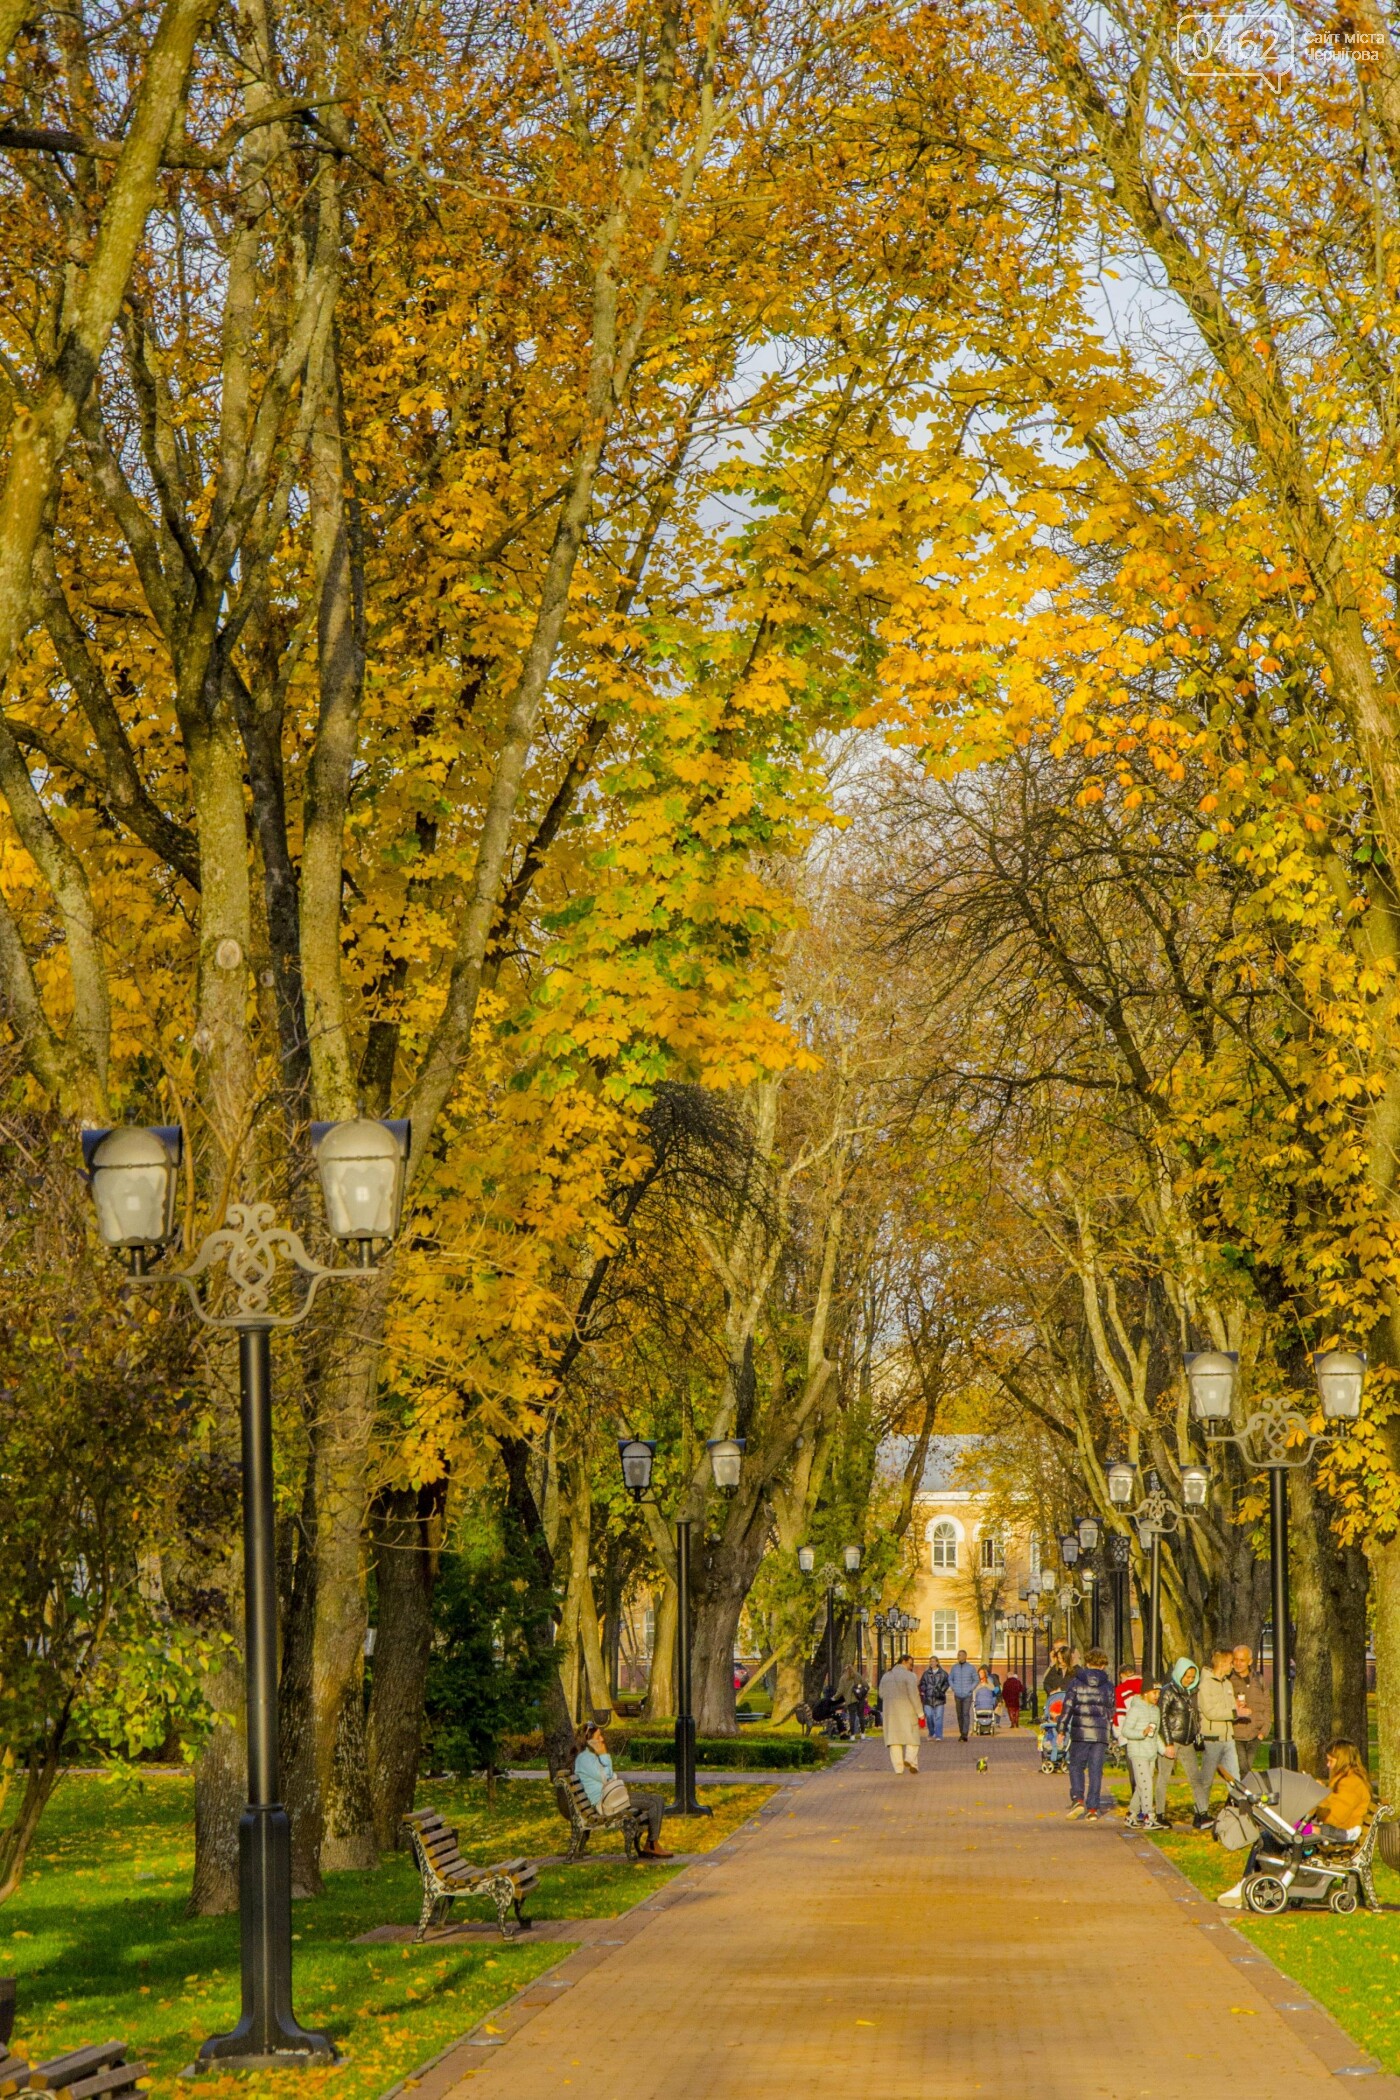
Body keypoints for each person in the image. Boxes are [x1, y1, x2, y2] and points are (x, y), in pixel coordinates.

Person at [1217, 1739, 1373, 1908]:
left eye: (1331, 1761)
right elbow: (1333, 1804)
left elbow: (1335, 1816)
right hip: (1330, 1829)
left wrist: (1317, 1798)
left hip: (1336, 1836)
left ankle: (1249, 1882)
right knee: (1268, 1836)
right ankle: (1249, 1881)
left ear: (1342, 1760)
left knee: (1270, 1838)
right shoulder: (1345, 1780)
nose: (1328, 1765)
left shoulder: (1351, 1783)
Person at [573, 1722, 672, 1858]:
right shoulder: (584, 1759)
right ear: (589, 1740)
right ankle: (652, 1845)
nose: (602, 1739)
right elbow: (607, 1777)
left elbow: (610, 1776)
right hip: (605, 1804)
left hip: (612, 1797)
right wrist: (604, 1754)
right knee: (654, 1804)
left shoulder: (589, 1757)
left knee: (658, 1800)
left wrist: (604, 1760)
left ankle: (652, 1843)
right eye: (598, 1737)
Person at [1061, 1645, 1115, 1821]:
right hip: (1100, 1735)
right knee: (1095, 1770)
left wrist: (1062, 1728)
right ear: (1102, 1665)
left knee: (1076, 1765)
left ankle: (1078, 1798)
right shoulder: (1108, 1685)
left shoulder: (1076, 1682)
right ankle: (1092, 1808)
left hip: (1080, 1731)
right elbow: (1111, 1710)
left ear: (1087, 1663)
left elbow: (1068, 1706)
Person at [1159, 1656, 1208, 1826]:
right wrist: (1168, 1742)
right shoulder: (1168, 1691)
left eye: (1192, 1677)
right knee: (1163, 1778)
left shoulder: (1192, 1693)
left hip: (1188, 1741)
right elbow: (1163, 1717)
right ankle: (1159, 1814)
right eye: (1187, 1677)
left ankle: (1203, 1812)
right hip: (1173, 1739)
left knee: (1195, 1778)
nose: (1189, 1680)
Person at [1197, 1648, 1242, 1810]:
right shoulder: (1205, 1685)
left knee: (1234, 1778)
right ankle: (1201, 1812)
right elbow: (1210, 1712)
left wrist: (1238, 1709)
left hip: (1228, 1738)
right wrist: (1233, 1712)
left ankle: (1238, 1810)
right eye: (1231, 1663)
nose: (1233, 1666)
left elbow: (1231, 1708)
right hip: (1212, 1739)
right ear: (1222, 1664)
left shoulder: (1228, 1684)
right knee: (1206, 1779)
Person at [1121, 1680, 1166, 1829]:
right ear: (1145, 1693)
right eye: (1154, 1692)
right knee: (1146, 1784)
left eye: (1159, 1693)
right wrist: (1142, 1733)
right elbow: (1126, 1731)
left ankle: (1131, 1815)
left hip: (1150, 1753)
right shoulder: (1136, 1709)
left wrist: (1164, 1750)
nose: (1157, 1696)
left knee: (1141, 1786)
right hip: (1138, 1752)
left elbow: (1155, 1734)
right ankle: (1149, 1816)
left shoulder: (1155, 1710)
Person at [879, 1652, 924, 1773]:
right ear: (903, 1662)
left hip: (891, 1713)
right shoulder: (909, 1676)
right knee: (913, 1738)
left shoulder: (886, 1676)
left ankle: (898, 1769)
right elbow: (914, 1695)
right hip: (907, 1711)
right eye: (910, 1664)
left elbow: (881, 1694)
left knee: (894, 1741)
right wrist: (920, 1713)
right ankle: (910, 1759)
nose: (911, 1667)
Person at [1229, 1644, 1269, 1772]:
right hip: (1236, 1735)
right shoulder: (1228, 1680)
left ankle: (1242, 1791)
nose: (1238, 1663)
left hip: (1255, 1734)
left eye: (1242, 1660)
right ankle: (1245, 1792)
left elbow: (1267, 1705)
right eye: (1235, 1659)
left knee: (1246, 1770)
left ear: (1250, 1661)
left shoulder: (1259, 1679)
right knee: (1243, 1770)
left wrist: (1264, 1731)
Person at [949, 1649, 979, 1741]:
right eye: (958, 1655)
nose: (959, 1657)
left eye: (960, 1655)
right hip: (957, 1694)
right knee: (959, 1714)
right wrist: (954, 1687)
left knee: (965, 1714)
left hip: (967, 1695)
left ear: (965, 1656)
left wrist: (970, 1688)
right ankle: (961, 1732)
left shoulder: (971, 1667)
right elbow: (950, 1679)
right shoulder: (954, 1667)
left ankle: (964, 1734)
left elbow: (976, 1679)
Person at [919, 1656, 950, 1740]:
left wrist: (942, 1690)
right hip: (928, 1698)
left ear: (937, 1662)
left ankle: (939, 1735)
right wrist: (925, 1689)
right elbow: (922, 1684)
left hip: (939, 1698)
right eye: (930, 1661)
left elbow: (947, 1683)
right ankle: (932, 1732)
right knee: (929, 1716)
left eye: (933, 1661)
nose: (932, 1663)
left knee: (939, 1717)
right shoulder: (926, 1674)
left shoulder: (943, 1673)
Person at [972, 1665, 1001, 1731]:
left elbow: (995, 1690)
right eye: (979, 1673)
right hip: (980, 1704)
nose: (980, 1675)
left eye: (982, 1673)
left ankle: (989, 1723)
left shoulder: (989, 1682)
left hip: (987, 1703)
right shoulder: (977, 1683)